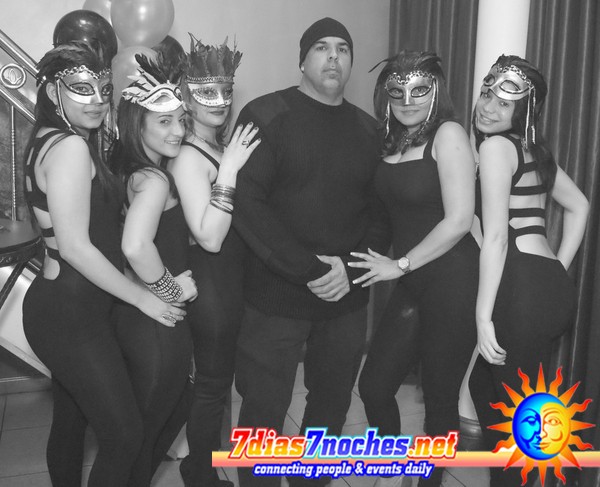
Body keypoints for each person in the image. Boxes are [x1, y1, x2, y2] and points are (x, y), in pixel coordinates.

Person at [231, 17, 391, 487]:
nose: (333, 57)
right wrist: (307, 269)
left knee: (331, 405)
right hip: (275, 295)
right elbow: (247, 203)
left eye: (343, 48)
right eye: (322, 47)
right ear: (303, 60)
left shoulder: (369, 131)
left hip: (345, 297)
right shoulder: (265, 114)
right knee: (264, 410)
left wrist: (348, 270)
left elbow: (381, 215)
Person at [21, 41, 185, 487]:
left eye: (103, 89)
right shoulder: (70, 147)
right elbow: (76, 248)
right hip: (70, 315)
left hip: (67, 307)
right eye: (81, 88)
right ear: (52, 91)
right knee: (124, 436)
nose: (96, 100)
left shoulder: (50, 138)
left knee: (71, 423)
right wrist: (146, 298)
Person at [349, 51, 479, 487]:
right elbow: (384, 217)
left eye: (419, 90)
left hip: (452, 280)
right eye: (397, 91)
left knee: (439, 400)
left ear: (436, 91)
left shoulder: (449, 133)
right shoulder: (392, 141)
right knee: (374, 386)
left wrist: (400, 265)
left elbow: (459, 220)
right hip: (410, 281)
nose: (407, 100)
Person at [468, 55, 589, 487]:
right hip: (544, 286)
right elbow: (580, 206)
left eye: (504, 103)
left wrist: (482, 316)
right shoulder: (532, 150)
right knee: (488, 390)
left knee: (516, 419)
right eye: (486, 95)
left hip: (522, 291)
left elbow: (497, 239)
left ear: (523, 111)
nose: (488, 107)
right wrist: (557, 269)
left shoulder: (496, 148)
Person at [169, 35, 259, 487]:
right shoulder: (189, 157)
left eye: (226, 90)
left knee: (219, 386)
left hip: (232, 281)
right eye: (207, 92)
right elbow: (208, 237)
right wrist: (230, 170)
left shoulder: (218, 149)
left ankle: (201, 470)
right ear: (187, 98)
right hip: (212, 283)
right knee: (210, 386)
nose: (220, 101)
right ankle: (199, 476)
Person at [109, 54, 198, 486]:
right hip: (158, 325)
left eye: (181, 120)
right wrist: (170, 290)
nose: (178, 130)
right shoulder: (155, 179)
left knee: (143, 434)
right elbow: (135, 245)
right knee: (144, 438)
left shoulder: (123, 169)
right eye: (164, 121)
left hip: (134, 320)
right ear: (137, 123)